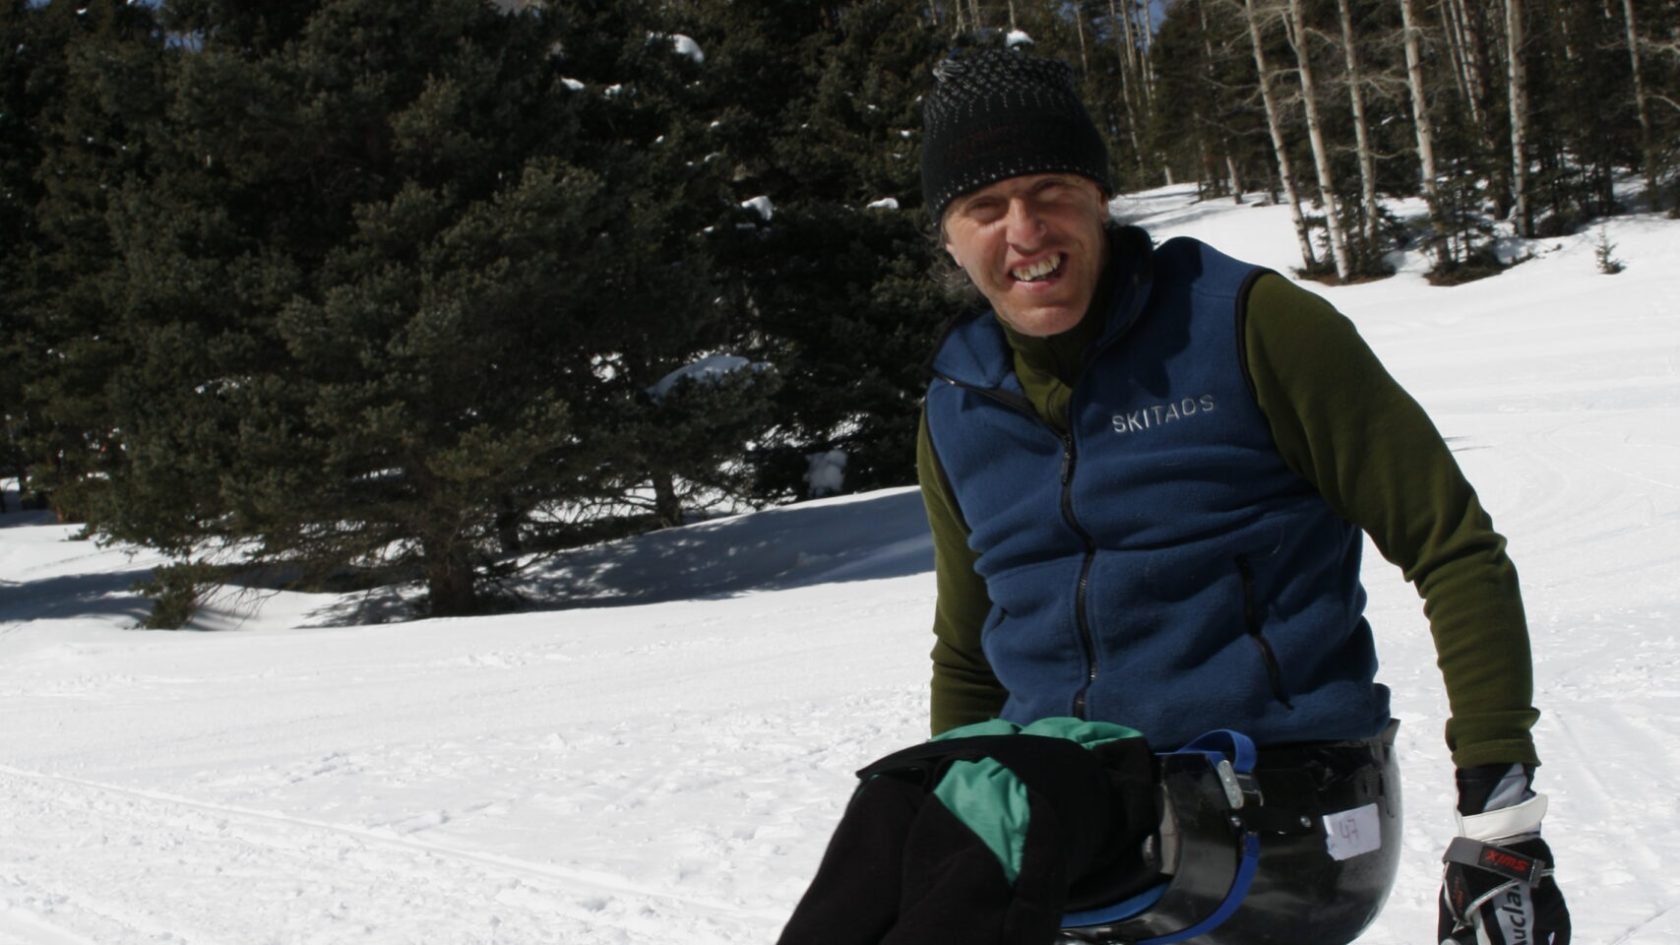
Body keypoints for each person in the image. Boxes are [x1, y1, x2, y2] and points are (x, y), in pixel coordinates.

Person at [777, 47, 1570, 945]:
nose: (1025, 231)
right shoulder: (958, 405)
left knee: (996, 822)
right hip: (1076, 798)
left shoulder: (1243, 325)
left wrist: (1501, 822)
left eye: (1052, 190)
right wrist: (957, 795)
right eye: (984, 208)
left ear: (1101, 199)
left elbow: (1451, 545)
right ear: (950, 236)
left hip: (1281, 793)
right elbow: (968, 655)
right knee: (893, 811)